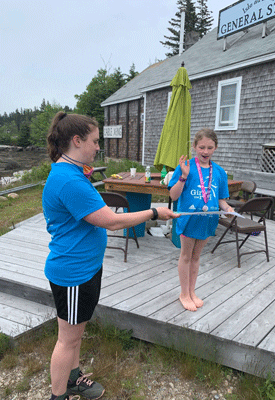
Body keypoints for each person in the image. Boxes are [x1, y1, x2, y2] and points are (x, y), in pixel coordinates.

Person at [43, 111, 179, 400]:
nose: (97, 148)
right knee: (67, 340)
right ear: (77, 141)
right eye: (95, 141)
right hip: (74, 273)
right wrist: (155, 211)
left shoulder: (70, 171)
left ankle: (74, 377)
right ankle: (59, 395)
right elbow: (111, 220)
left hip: (85, 268)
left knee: (75, 334)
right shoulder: (69, 180)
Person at [168, 128, 234, 312]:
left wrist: (228, 209)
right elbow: (173, 196)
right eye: (202, 147)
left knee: (196, 257)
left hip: (208, 221)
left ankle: (191, 291)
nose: (205, 151)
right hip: (189, 220)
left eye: (210, 147)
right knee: (186, 256)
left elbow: (221, 199)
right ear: (195, 146)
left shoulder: (219, 172)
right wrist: (183, 176)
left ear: (216, 148)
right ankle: (183, 294)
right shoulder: (186, 166)